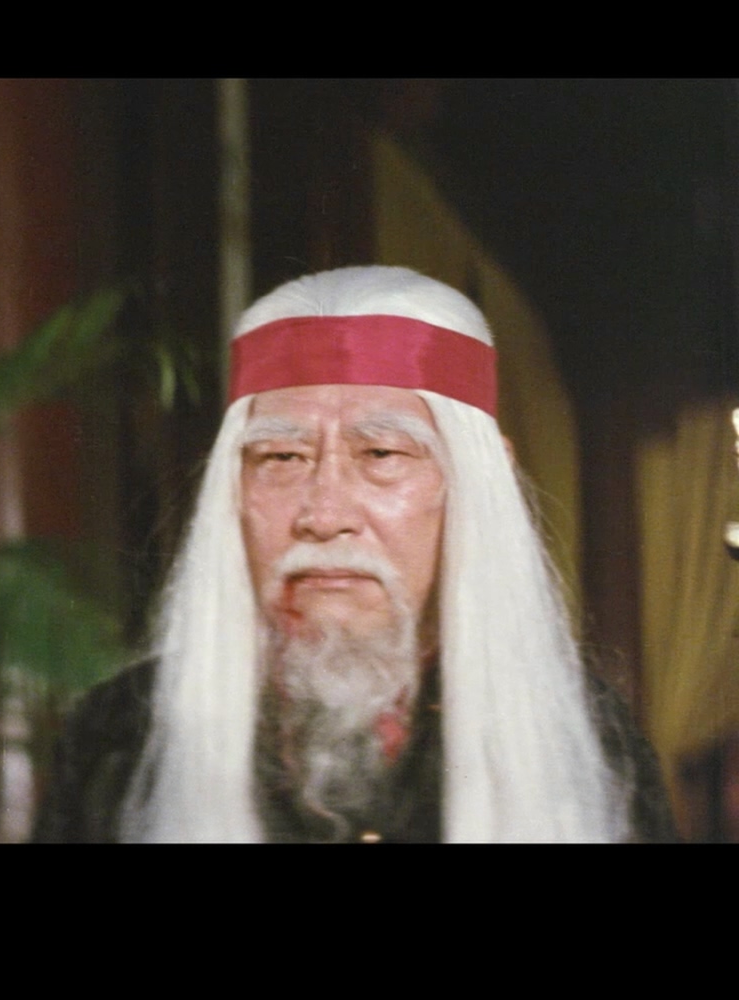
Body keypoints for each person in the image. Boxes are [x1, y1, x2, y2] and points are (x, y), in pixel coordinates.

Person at [34, 265, 675, 843]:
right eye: (282, 458)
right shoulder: (119, 738)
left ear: (479, 483)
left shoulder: (586, 740)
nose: (324, 516)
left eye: (381, 455)